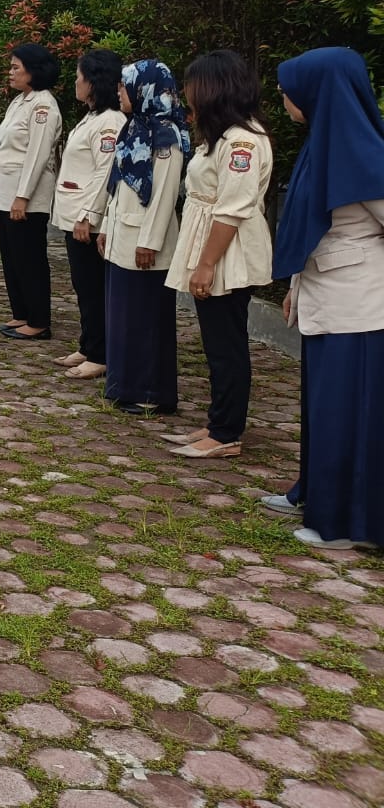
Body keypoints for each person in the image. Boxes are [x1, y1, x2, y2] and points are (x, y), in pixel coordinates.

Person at [270, 48, 384, 548]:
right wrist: (296, 284)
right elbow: (308, 228)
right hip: (326, 292)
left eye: (289, 87)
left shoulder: (362, 152)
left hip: (360, 300)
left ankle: (346, 524)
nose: (282, 95)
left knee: (348, 409)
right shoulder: (324, 142)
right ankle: (315, 494)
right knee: (322, 406)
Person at [161, 50, 273, 459]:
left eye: (191, 85)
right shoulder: (220, 137)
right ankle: (217, 421)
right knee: (215, 341)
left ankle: (226, 431)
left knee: (227, 344)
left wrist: (206, 263)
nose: (186, 93)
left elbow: (233, 208)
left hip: (227, 250)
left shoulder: (243, 140)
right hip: (210, 242)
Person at [100, 60, 187, 418]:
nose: (119, 92)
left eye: (125, 86)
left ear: (144, 89)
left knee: (148, 319)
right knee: (123, 317)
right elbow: (117, 184)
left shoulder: (166, 134)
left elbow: (166, 193)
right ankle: (125, 384)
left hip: (146, 243)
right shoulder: (132, 129)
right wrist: (106, 225)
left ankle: (151, 390)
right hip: (123, 234)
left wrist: (149, 241)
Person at [52, 50, 125, 381]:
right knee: (83, 285)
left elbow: (103, 172)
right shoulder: (93, 117)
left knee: (95, 288)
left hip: (87, 218)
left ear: (94, 82)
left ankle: (100, 352)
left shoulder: (110, 121)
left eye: (79, 76)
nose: (75, 82)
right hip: (73, 214)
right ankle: (88, 342)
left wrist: (87, 215)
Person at [0, 44, 64, 341]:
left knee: (29, 258)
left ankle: (39, 320)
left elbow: (37, 154)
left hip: (26, 196)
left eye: (16, 67)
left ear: (34, 71)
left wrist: (23, 195)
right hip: (7, 190)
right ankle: (20, 313)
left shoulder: (43, 105)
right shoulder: (21, 101)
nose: (11, 72)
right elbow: (3, 150)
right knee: (11, 256)